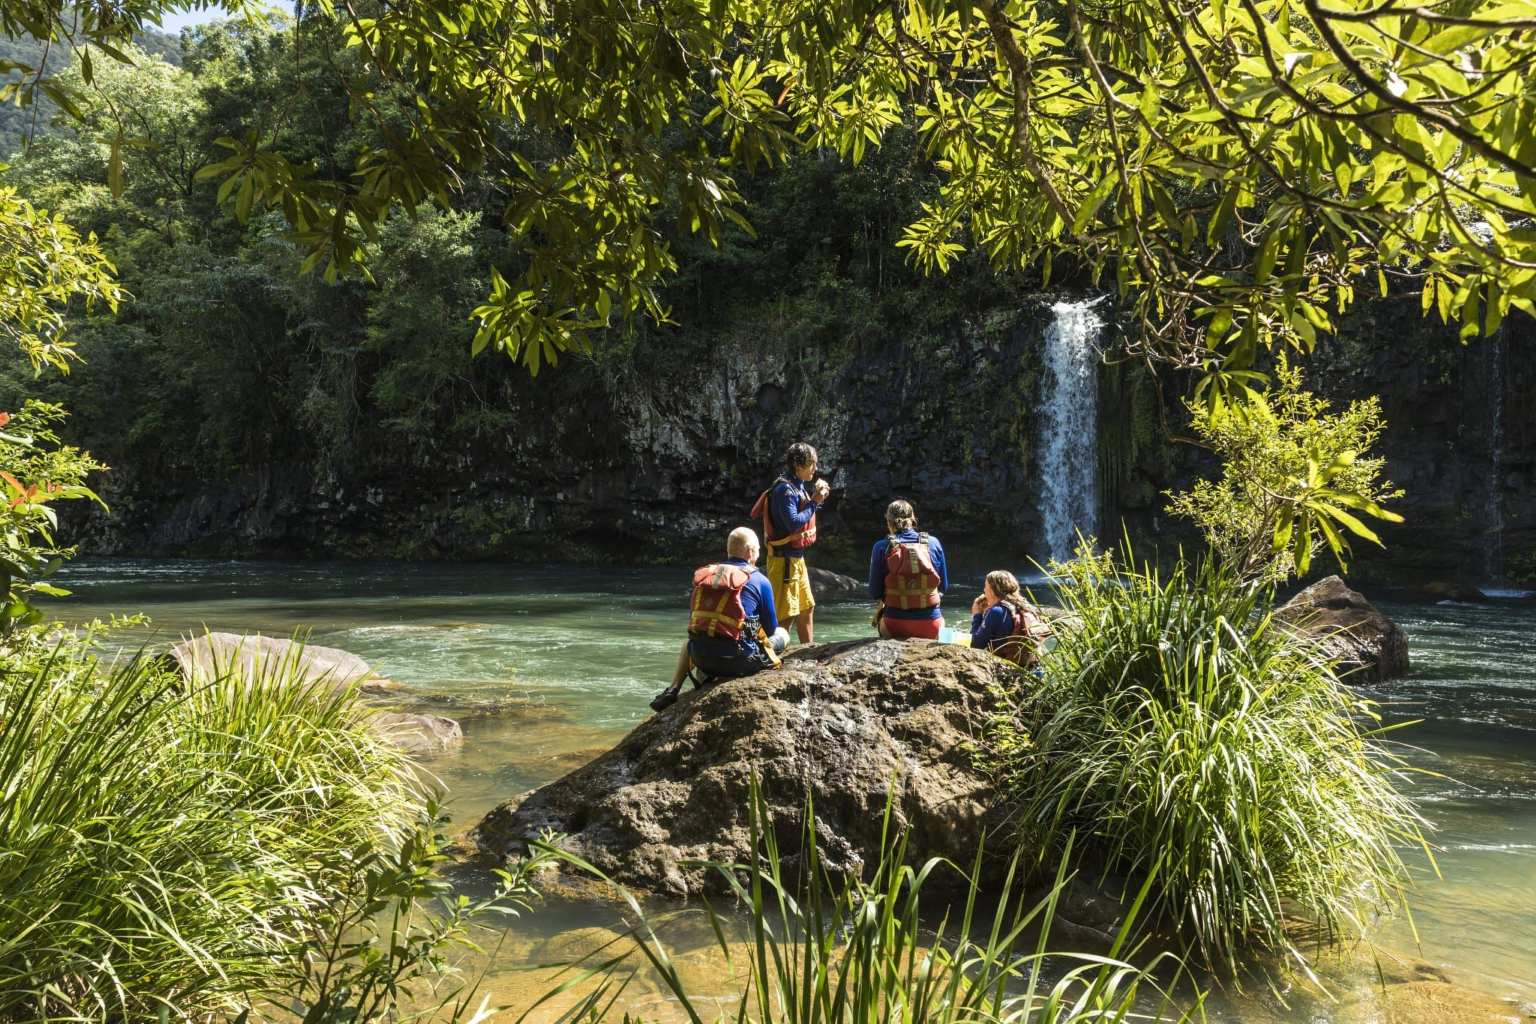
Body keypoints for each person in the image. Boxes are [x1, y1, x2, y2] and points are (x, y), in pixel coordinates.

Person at [650, 526, 790, 712]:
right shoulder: (759, 580)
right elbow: (771, 629)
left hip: (701, 658)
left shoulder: (708, 576)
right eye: (757, 551)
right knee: (783, 633)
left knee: (688, 642)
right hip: (738, 661)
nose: (758, 555)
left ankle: (673, 689)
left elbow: (696, 623)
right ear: (750, 552)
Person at [750, 442, 829, 644]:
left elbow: (802, 518)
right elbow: (793, 523)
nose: (815, 468)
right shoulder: (784, 490)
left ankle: (808, 650)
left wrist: (814, 499)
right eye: (812, 464)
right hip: (783, 561)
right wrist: (815, 501)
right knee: (786, 614)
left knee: (806, 607)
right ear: (798, 465)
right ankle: (774, 653)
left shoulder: (797, 486)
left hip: (796, 559)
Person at [867, 498, 949, 640]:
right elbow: (944, 587)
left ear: (889, 521)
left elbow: (875, 592)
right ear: (913, 519)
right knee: (941, 619)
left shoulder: (880, 547)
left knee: (880, 618)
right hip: (932, 626)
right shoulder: (934, 543)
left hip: (893, 626)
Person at [970, 569, 1051, 668]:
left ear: (992, 591)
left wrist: (977, 615)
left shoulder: (997, 611)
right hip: (1035, 668)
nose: (984, 590)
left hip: (1010, 671)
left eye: (985, 587)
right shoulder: (1025, 607)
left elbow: (975, 646)